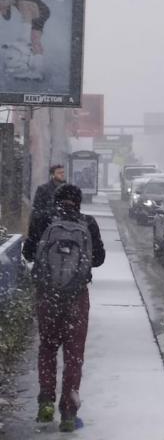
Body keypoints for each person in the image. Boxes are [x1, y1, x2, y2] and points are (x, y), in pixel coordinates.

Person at [22, 184, 106, 433]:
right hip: (76, 298)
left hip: (48, 295)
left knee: (47, 347)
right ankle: (68, 412)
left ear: (56, 201)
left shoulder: (43, 220)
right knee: (74, 355)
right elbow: (99, 258)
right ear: (78, 202)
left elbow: (28, 253)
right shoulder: (88, 223)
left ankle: (46, 401)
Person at [0, 0, 50, 75]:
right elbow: (7, 17)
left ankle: (24, 37)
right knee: (35, 41)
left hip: (40, 10)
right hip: (31, 19)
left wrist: (9, 1)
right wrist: (2, 8)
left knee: (22, 2)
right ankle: (38, 69)